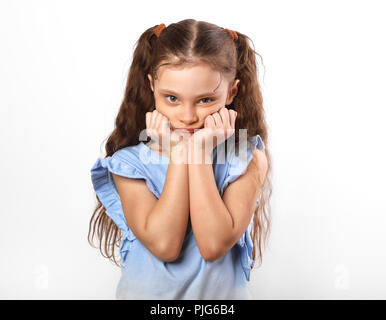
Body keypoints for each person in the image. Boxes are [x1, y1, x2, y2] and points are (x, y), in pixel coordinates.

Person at [89, 19, 272, 300]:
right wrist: (179, 156)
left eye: (205, 100)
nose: (187, 116)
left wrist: (198, 153)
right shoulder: (129, 164)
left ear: (231, 93)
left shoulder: (245, 159)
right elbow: (165, 244)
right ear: (152, 86)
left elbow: (213, 245)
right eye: (172, 98)